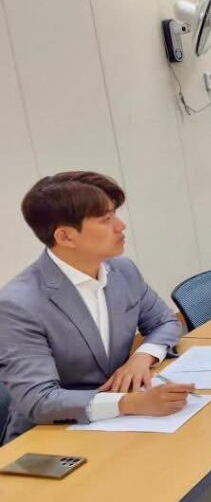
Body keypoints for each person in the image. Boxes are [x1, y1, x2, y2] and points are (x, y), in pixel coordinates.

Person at [0, 172, 193, 443]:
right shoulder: (19, 303)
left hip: (122, 424)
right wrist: (128, 404)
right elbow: (39, 400)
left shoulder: (122, 270)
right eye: (106, 219)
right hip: (51, 435)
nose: (120, 226)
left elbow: (165, 322)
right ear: (66, 236)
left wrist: (142, 357)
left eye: (115, 215)